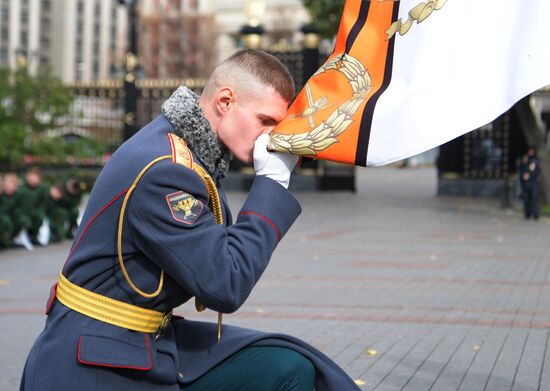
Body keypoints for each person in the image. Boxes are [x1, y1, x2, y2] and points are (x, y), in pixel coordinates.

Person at [21, 49, 360, 391]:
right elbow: (225, 283)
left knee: (291, 364)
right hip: (94, 366)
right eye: (266, 121)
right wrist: (271, 185)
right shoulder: (166, 170)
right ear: (225, 101)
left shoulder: (188, 152)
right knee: (286, 371)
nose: (272, 137)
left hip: (137, 341)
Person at [519, 147, 541, 220]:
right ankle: (527, 214)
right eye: (529, 151)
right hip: (526, 182)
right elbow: (521, 170)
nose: (531, 152)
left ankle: (535, 214)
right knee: (526, 198)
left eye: (532, 151)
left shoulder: (536, 161)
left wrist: (529, 175)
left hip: (534, 182)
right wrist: (523, 176)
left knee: (534, 198)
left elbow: (537, 172)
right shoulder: (524, 159)